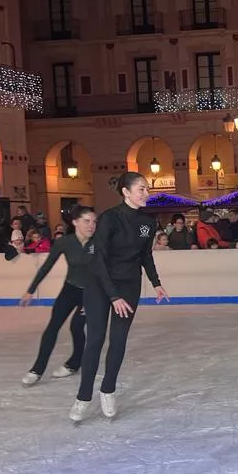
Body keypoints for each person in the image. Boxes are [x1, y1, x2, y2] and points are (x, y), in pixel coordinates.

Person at [74, 172, 168, 422]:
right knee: (95, 340)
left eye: (147, 189)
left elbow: (146, 256)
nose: (146, 193)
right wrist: (113, 296)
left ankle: (108, 390)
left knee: (118, 340)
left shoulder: (148, 222)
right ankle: (83, 397)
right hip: (100, 285)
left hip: (129, 285)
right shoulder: (109, 218)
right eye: (141, 189)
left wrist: (156, 283)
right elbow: (99, 258)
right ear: (126, 192)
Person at [19, 206, 98, 387]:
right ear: (75, 222)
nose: (91, 225)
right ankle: (37, 369)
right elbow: (47, 266)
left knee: (76, 326)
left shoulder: (100, 242)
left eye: (94, 222)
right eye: (86, 221)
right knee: (53, 327)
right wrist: (31, 290)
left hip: (91, 293)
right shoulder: (64, 242)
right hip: (69, 290)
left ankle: (74, 363)